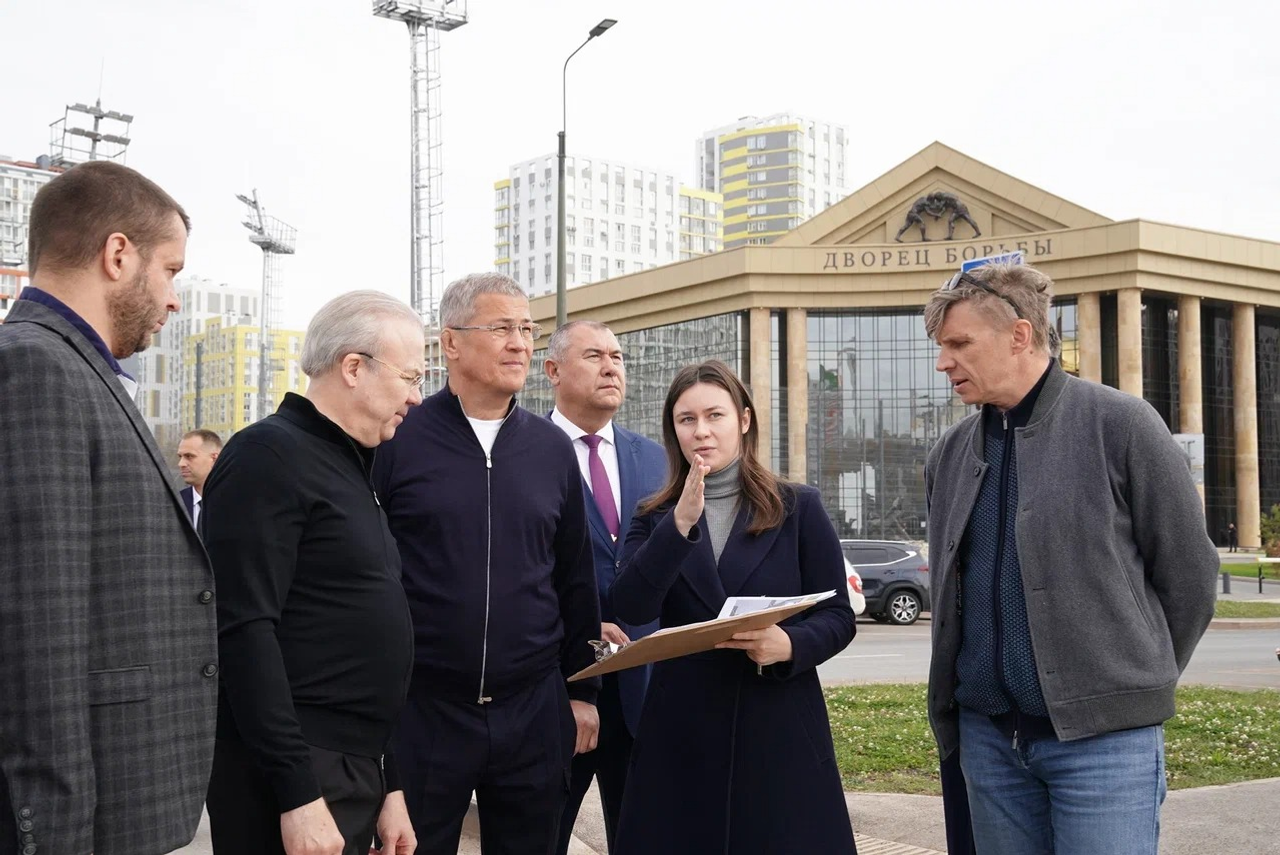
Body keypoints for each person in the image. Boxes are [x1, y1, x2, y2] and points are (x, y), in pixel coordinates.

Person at [923, 262, 1219, 855]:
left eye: (959, 344)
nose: (943, 363)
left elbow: (1190, 577)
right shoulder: (949, 452)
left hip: (1105, 745)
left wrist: (1128, 681)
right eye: (941, 347)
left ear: (1019, 335)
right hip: (989, 744)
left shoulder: (1122, 424)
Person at [0, 161, 217, 855]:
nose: (174, 299)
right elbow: (36, 635)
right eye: (171, 270)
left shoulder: (76, 369)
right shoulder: (36, 367)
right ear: (118, 254)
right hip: (83, 823)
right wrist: (52, 835)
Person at [373, 273, 600, 855]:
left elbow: (575, 578)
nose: (520, 343)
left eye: (527, 329)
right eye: (501, 328)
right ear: (450, 342)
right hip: (423, 711)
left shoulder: (551, 450)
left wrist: (584, 692)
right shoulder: (398, 438)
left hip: (533, 711)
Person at [202, 290, 424, 855]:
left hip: (351, 766)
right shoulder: (267, 456)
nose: (416, 397)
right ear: (353, 367)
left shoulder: (352, 465)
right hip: (296, 773)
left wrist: (389, 782)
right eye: (410, 377)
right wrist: (297, 793)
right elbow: (244, 629)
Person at [609, 359, 858, 855]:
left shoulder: (797, 506)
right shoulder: (654, 515)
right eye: (686, 419)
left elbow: (839, 616)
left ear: (743, 420)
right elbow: (631, 606)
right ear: (673, 431)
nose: (701, 431)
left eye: (714, 415)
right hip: (681, 731)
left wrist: (790, 644)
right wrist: (678, 525)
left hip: (776, 723)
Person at [544, 321, 667, 855]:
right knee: (543, 835)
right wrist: (578, 628)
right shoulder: (523, 452)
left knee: (642, 836)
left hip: (644, 689)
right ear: (553, 371)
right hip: (559, 685)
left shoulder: (656, 459)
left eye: (617, 356)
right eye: (594, 355)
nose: (611, 366)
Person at [177, 428, 222, 528]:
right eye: (180, 456)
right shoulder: (175, 503)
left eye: (189, 456)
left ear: (214, 459)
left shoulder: (236, 503)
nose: (181, 464)